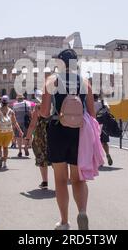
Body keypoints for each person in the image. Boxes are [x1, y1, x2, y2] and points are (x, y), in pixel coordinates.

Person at [41, 49, 95, 230]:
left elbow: (44, 111)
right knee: (78, 179)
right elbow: (92, 114)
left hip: (57, 131)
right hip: (78, 133)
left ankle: (64, 222)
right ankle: (82, 212)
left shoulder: (51, 81)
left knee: (60, 180)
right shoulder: (85, 83)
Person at [25, 94, 51, 190]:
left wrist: (27, 138)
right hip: (54, 132)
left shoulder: (38, 107)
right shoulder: (55, 104)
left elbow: (32, 124)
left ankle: (45, 182)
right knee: (56, 158)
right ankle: (60, 182)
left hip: (41, 135)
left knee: (41, 156)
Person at [0, 95, 23, 169]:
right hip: (9, 131)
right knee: (5, 148)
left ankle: (1, 157)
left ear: (1, 102)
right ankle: (4, 164)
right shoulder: (11, 111)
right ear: (8, 102)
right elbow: (15, 122)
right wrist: (20, 131)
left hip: (0, 131)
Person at [93, 94, 113, 166]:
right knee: (104, 142)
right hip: (103, 124)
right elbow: (108, 110)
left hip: (94, 125)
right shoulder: (103, 102)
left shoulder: (90, 103)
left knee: (96, 143)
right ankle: (107, 154)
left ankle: (99, 160)